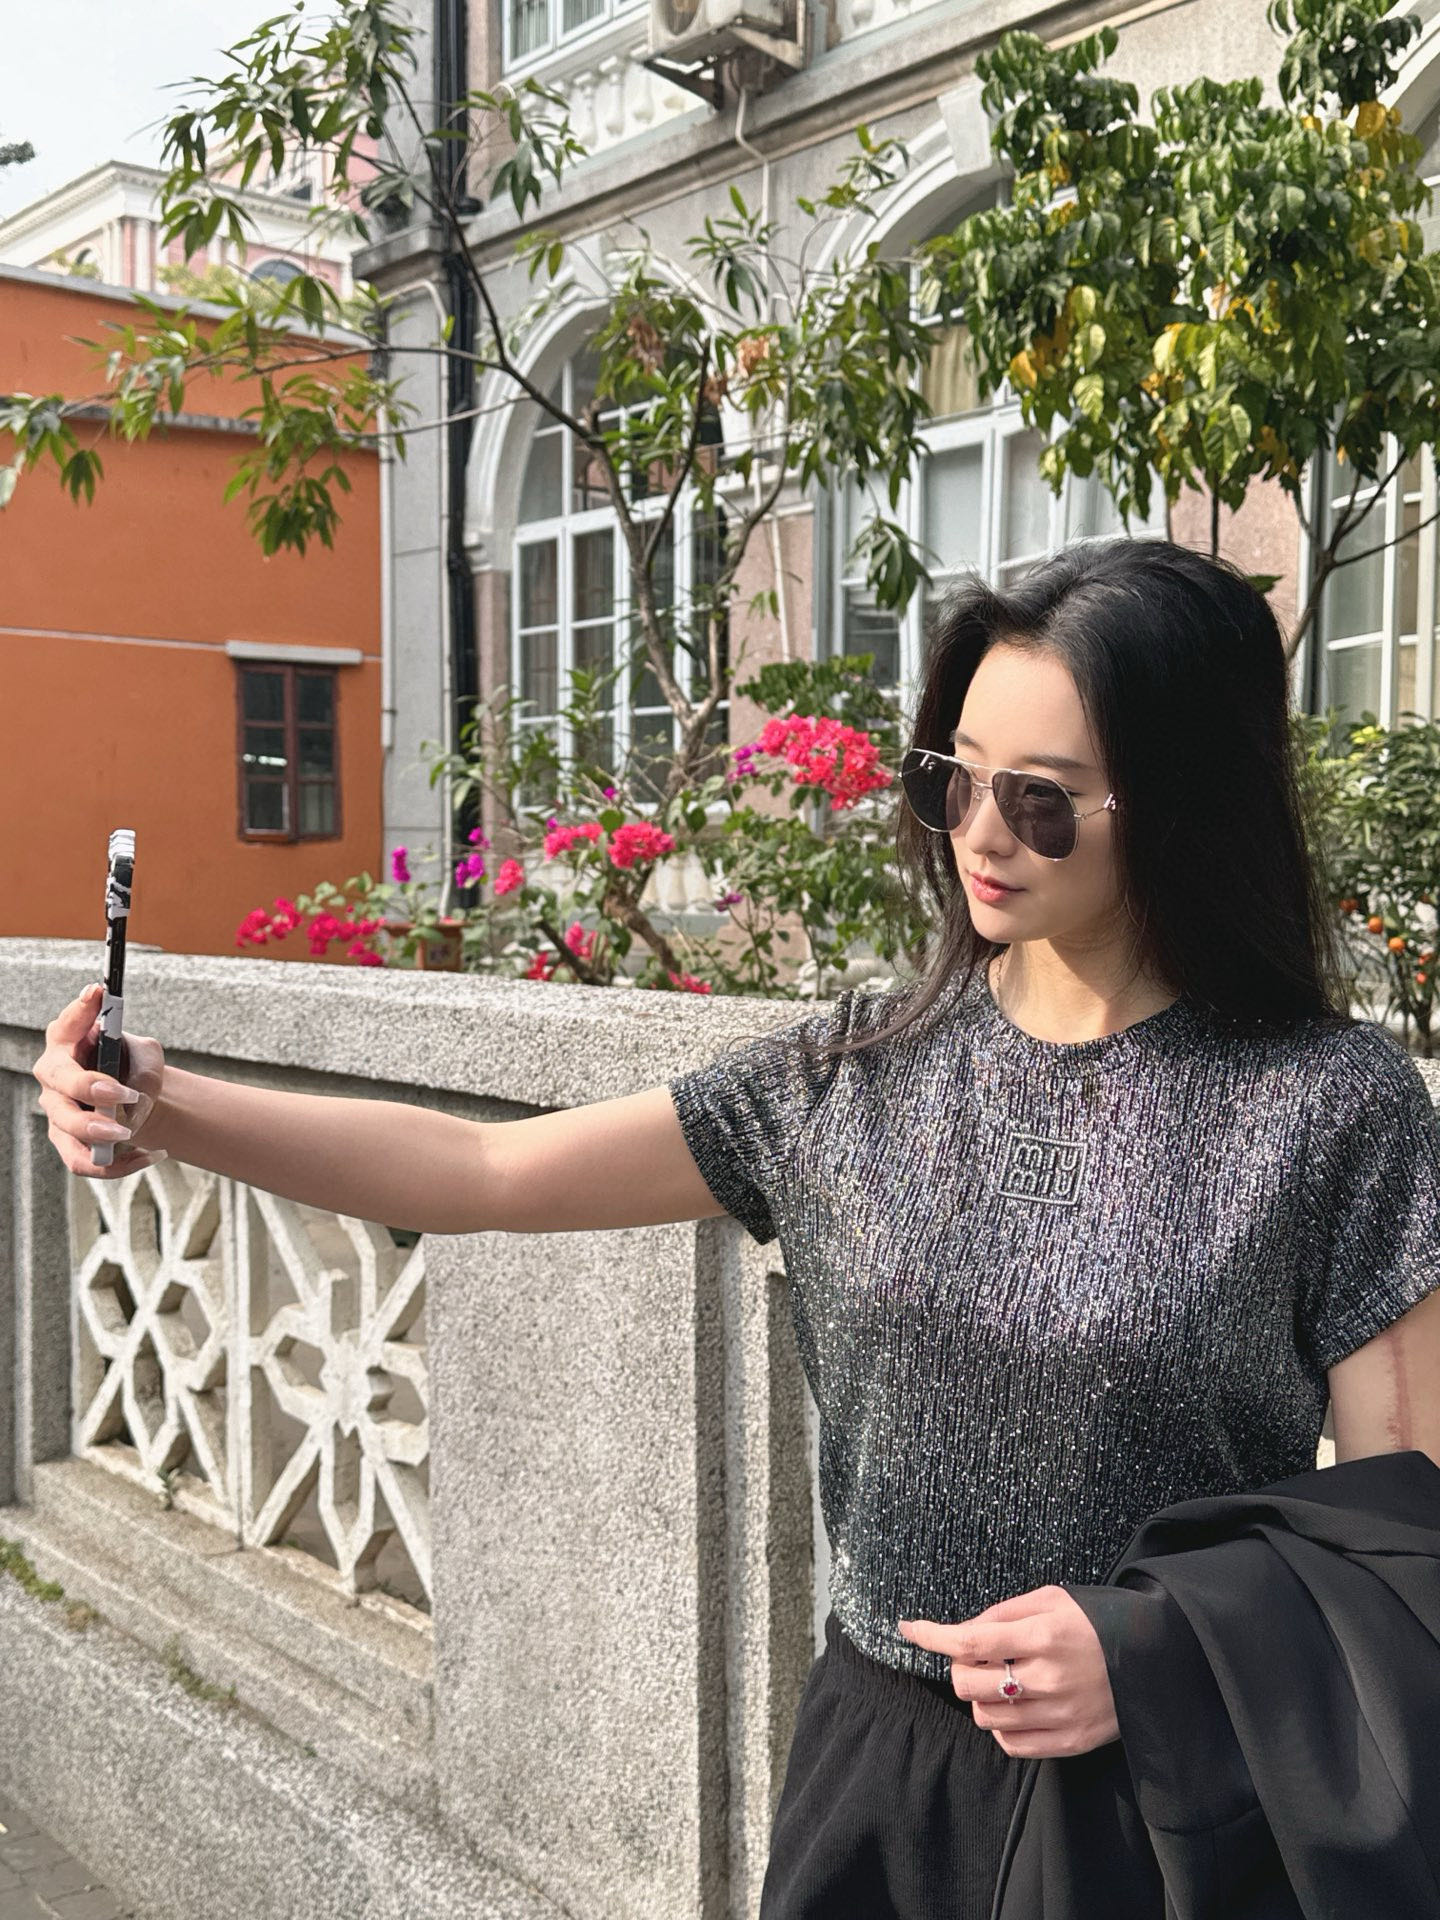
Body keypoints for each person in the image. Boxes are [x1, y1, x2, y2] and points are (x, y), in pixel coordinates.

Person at [33, 535, 1440, 1920]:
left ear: (1184, 799)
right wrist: (165, 1103)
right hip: (876, 1782)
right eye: (951, 779)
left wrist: (1155, 1651)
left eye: (1044, 799)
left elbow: (1402, 1544)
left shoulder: (1329, 1109)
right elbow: (482, 1169)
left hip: (1171, 1811)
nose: (980, 835)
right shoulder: (855, 1073)